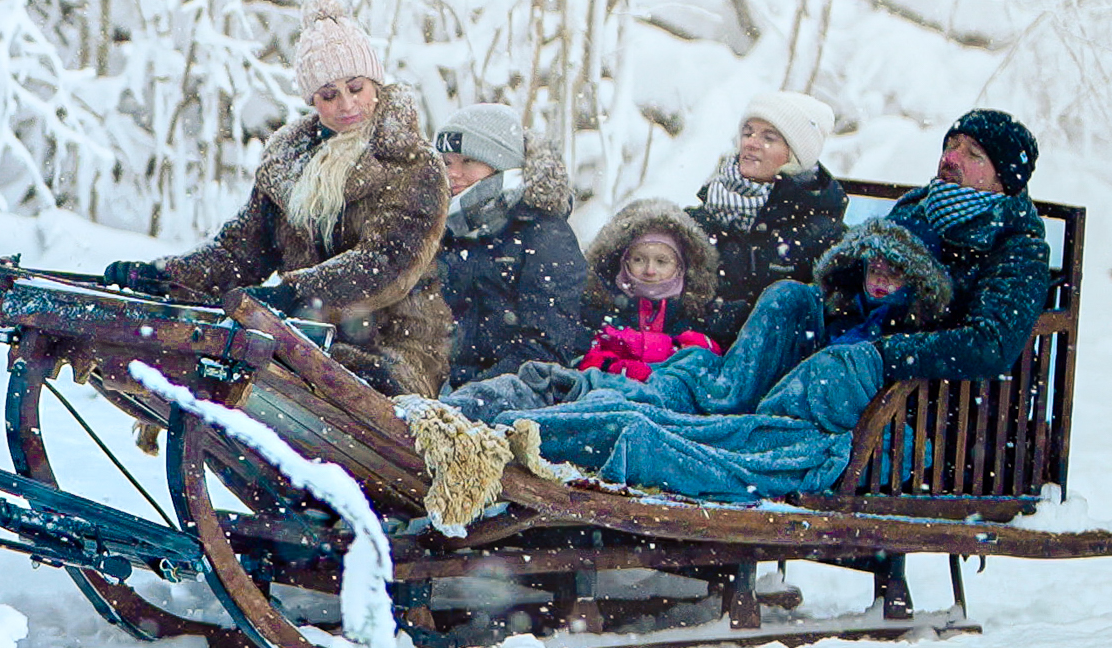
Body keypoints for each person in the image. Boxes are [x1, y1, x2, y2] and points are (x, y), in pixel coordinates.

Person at [415, 109, 1051, 513]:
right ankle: (556, 405)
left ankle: (562, 436)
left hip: (902, 416)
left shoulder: (1013, 243)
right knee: (787, 302)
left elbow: (990, 345)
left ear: (1003, 178)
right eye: (951, 145)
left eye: (971, 154)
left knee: (655, 423)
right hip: (823, 371)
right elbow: (842, 295)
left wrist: (880, 352)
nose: (950, 158)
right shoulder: (914, 214)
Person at [104, 0, 452, 395]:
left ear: (375, 83)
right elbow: (239, 254)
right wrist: (166, 277)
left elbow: (388, 263)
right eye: (328, 95)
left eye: (356, 88)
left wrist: (295, 296)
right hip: (300, 339)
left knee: (266, 373)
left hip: (393, 351)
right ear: (312, 101)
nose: (347, 104)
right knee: (213, 361)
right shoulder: (287, 164)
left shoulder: (413, 163)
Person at [434, 105, 588, 388]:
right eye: (446, 162)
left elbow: (547, 349)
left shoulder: (545, 235)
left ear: (502, 163)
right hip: (439, 387)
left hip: (513, 395)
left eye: (468, 161)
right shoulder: (441, 229)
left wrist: (469, 394)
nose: (452, 174)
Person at [685, 91, 845, 346]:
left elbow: (820, 322)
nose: (751, 143)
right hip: (685, 351)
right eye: (748, 133)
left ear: (795, 155)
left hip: (764, 367)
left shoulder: (823, 235)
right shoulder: (697, 219)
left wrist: (733, 318)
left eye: (769, 138)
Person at [572, 201, 723, 381]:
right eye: (638, 260)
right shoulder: (597, 307)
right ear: (622, 261)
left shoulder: (700, 314)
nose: (650, 270)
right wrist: (611, 367)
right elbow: (582, 358)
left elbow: (710, 366)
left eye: (661, 261)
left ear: (681, 267)